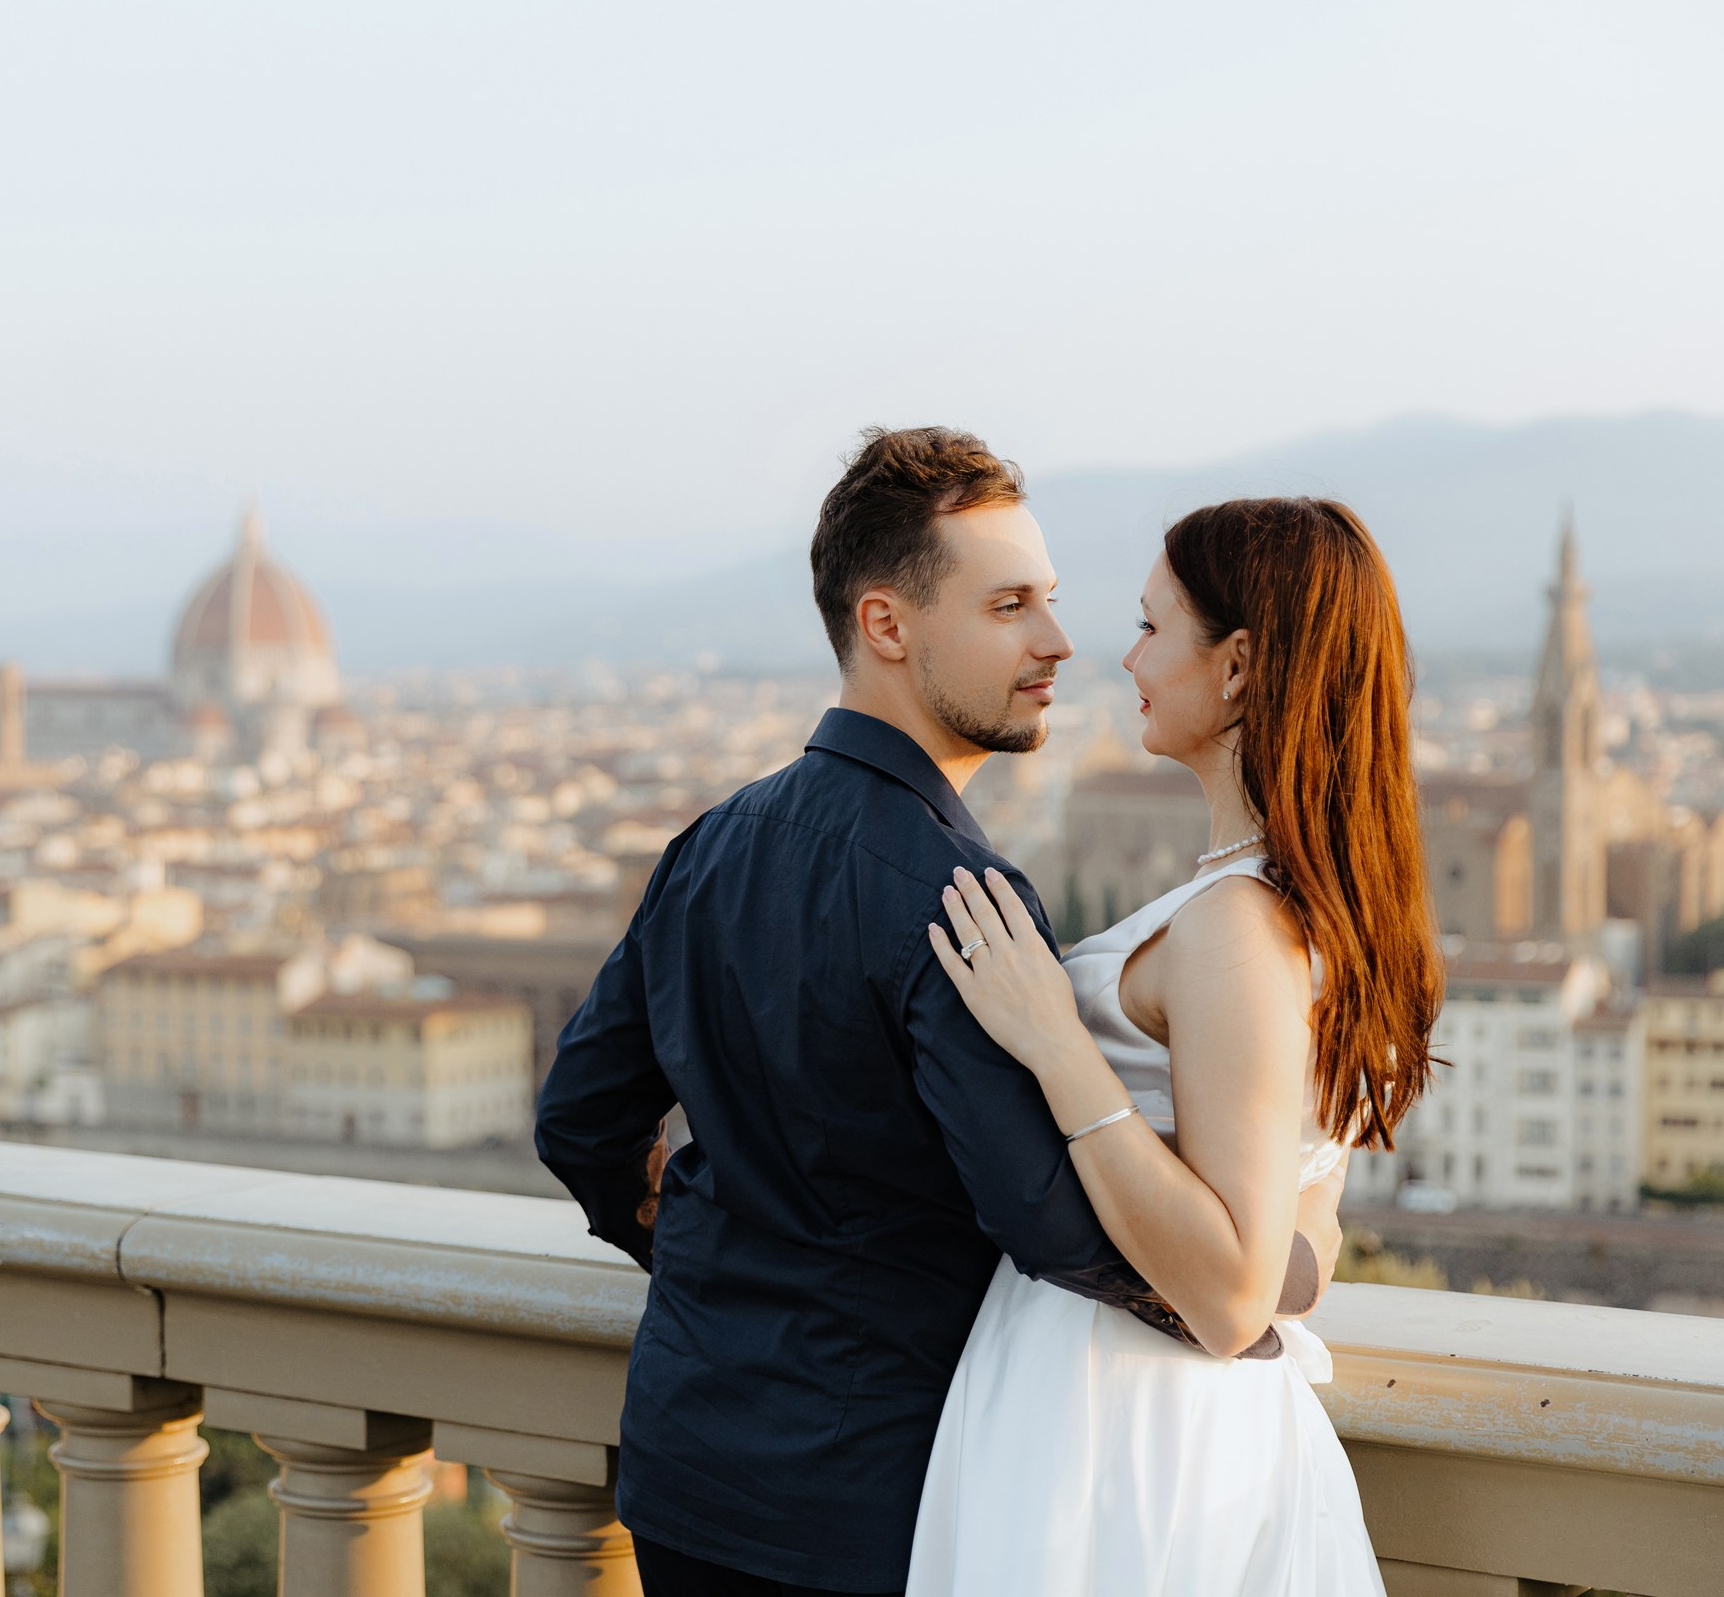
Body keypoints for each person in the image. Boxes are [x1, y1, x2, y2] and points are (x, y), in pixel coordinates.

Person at [535, 429, 1344, 1595]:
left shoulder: (709, 845)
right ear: (887, 626)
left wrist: (707, 1259)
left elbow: (578, 1119)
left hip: (683, 1460)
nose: (1059, 643)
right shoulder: (960, 899)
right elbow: (1052, 1221)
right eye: (1010, 605)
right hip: (872, 1492)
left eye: (1053, 602)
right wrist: (1284, 1268)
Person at [905, 496, 1442, 1595]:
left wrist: (1058, 1044)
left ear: (1239, 665)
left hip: (1120, 1425)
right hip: (1158, 1413)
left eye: (1154, 625)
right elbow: (1299, 1248)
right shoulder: (1282, 905)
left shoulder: (1237, 927)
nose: (1126, 653)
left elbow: (1233, 1296)